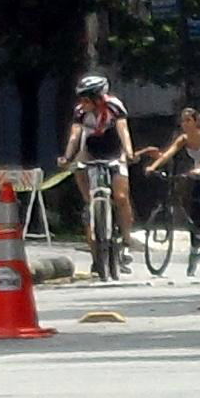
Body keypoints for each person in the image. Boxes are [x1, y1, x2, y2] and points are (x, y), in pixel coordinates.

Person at [59, 75, 136, 272]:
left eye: (86, 99)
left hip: (113, 152)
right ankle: (94, 219)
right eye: (81, 99)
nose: (82, 103)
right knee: (79, 173)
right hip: (90, 152)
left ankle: (126, 240)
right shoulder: (80, 112)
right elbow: (75, 135)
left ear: (98, 98)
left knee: (120, 197)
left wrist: (128, 152)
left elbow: (123, 131)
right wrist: (67, 157)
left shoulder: (114, 107)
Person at [139, 107, 200, 275]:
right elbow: (168, 154)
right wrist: (153, 166)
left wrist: (199, 168)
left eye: (188, 120)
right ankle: (196, 251)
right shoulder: (184, 139)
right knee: (195, 216)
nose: (185, 124)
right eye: (183, 121)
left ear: (196, 121)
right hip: (199, 178)